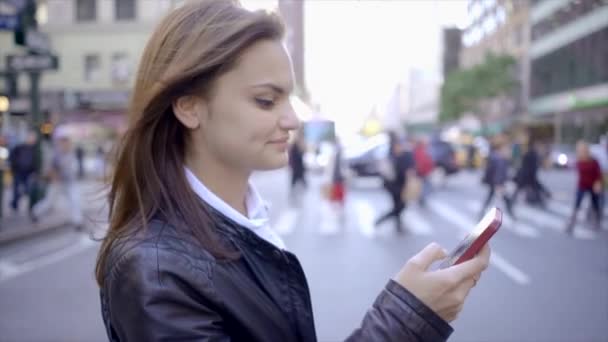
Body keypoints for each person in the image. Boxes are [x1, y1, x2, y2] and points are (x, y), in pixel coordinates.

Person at [95, 2, 491, 341]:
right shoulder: (156, 271)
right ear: (188, 107)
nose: (291, 120)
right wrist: (405, 320)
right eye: (266, 101)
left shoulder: (245, 221)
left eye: (289, 99)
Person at [31, 131, 83, 229]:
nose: (65, 143)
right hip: (58, 183)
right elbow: (49, 169)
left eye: (67, 141)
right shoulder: (55, 155)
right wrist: (54, 177)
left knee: (75, 201)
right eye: (63, 141)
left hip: (70, 182)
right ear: (59, 142)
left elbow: (73, 167)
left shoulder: (71, 153)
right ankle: (35, 212)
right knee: (49, 202)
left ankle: (78, 222)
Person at [375, 131, 415, 232]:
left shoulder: (404, 154)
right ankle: (384, 220)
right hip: (393, 185)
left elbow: (409, 170)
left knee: (400, 205)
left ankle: (396, 223)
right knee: (399, 205)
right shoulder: (391, 153)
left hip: (399, 184)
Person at [566, 141, 603, 233]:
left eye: (583, 149)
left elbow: (598, 174)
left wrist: (597, 184)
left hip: (592, 185)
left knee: (595, 204)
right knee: (577, 204)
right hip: (582, 185)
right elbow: (570, 166)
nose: (581, 151)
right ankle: (571, 223)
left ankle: (596, 222)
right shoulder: (578, 160)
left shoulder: (594, 161)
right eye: (579, 150)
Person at [511, 138, 551, 208]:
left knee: (527, 187)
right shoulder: (531, 153)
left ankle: (543, 198)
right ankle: (544, 197)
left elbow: (531, 165)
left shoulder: (530, 153)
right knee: (532, 187)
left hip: (527, 174)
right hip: (527, 174)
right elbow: (530, 164)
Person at [480, 140, 514, 219]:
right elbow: (499, 172)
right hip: (497, 183)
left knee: (491, 197)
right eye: (507, 149)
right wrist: (498, 184)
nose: (508, 151)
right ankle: (511, 213)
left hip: (494, 182)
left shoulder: (494, 156)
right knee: (505, 199)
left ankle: (482, 211)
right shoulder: (500, 159)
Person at [9, 130, 37, 213]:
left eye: (33, 139)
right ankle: (14, 204)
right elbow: (12, 156)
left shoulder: (33, 149)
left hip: (27, 172)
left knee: (26, 189)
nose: (32, 140)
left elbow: (34, 161)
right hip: (18, 171)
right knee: (16, 189)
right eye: (31, 138)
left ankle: (14, 202)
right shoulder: (19, 147)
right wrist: (15, 166)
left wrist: (33, 170)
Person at [413, 137, 434, 207]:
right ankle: (421, 197)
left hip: (423, 171)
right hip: (422, 172)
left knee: (425, 186)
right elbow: (422, 162)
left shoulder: (420, 150)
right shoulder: (420, 151)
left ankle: (421, 197)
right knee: (426, 186)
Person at [288, 128, 307, 204]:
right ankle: (293, 195)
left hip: (299, 168)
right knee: (295, 182)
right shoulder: (294, 146)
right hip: (296, 168)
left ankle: (296, 195)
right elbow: (293, 158)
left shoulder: (298, 145)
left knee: (299, 182)